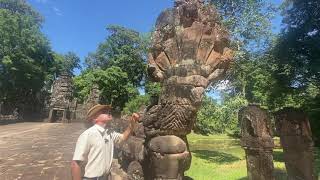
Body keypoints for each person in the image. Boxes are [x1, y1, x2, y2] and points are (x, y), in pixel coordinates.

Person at [71, 104, 140, 180]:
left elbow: (123, 137)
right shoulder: (87, 135)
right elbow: (75, 163)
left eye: (108, 111)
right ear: (94, 118)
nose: (108, 113)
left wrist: (132, 123)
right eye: (104, 111)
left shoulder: (109, 133)